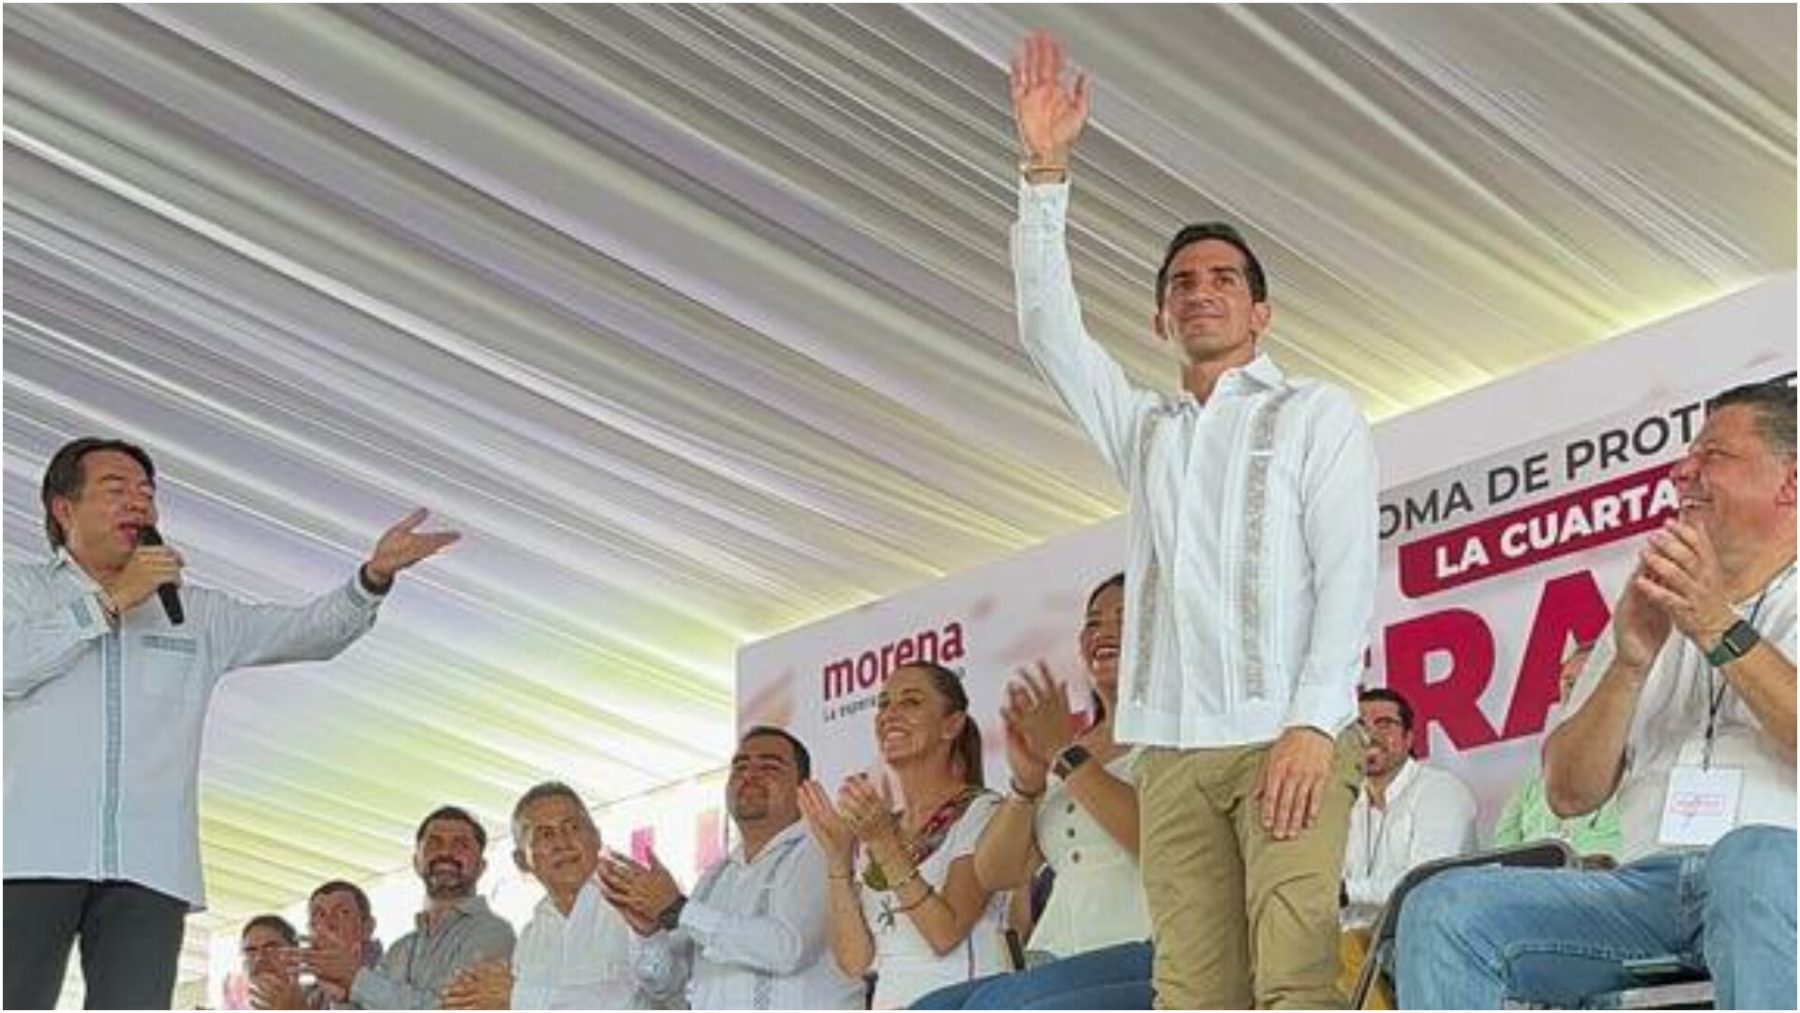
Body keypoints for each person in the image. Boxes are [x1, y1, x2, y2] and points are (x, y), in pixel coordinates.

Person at [1008, 32, 1377, 1009]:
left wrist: (1314, 722)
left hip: (1286, 732)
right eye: (1182, 283)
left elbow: (1348, 574)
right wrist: (1045, 174)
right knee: (1191, 993)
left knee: (1294, 978)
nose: (1201, 291)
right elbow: (1048, 333)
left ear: (1262, 313)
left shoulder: (1316, 411)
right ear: (1160, 322)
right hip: (1170, 750)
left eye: (1223, 280)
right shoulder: (1148, 431)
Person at [4, 437, 459, 1010]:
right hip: (30, 851)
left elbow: (306, 632)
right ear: (63, 508)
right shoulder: (16, 589)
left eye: (147, 493)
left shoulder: (194, 613)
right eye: (116, 490)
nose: (139, 503)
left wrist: (372, 578)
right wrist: (110, 601)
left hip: (150, 865)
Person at [1396, 381, 1797, 1010]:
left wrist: (1716, 626)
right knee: (1445, 909)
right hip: (1650, 888)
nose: (1683, 471)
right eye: (1687, 455)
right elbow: (1569, 791)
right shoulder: (1650, 603)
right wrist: (1629, 664)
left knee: (1751, 862)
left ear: (1790, 483)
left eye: (1713, 454)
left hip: (1779, 870)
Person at [914, 573, 1153, 1009]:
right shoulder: (1070, 748)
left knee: (1002, 1005)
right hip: (1057, 956)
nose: (1104, 631)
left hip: (1150, 949)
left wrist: (1064, 753)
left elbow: (1159, 840)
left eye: (1125, 617)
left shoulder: (1177, 735)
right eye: (1094, 621)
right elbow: (998, 874)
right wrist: (1026, 784)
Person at [607, 727, 864, 1009]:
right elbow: (668, 987)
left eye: (769, 767)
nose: (749, 776)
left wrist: (678, 909)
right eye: (740, 767)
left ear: (803, 789)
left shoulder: (823, 851)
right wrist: (650, 933)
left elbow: (788, 948)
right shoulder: (715, 876)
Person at [799, 662, 1007, 1009]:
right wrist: (838, 860)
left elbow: (945, 934)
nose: (889, 715)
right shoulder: (882, 825)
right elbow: (854, 961)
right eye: (883, 704)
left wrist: (883, 843)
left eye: (910, 702)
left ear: (952, 724)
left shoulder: (983, 810)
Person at [441, 782, 657, 1009]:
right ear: (521, 861)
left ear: (596, 837)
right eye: (545, 835)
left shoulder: (640, 903)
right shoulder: (529, 940)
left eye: (573, 828)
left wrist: (519, 997)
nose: (561, 843)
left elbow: (650, 1001)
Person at [1335, 687, 1477, 1007]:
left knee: (1342, 948)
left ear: (1410, 737)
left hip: (1430, 944)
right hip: (1361, 953)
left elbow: (1425, 885)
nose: (1370, 735)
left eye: (1384, 723)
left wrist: (1346, 891)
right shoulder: (1346, 805)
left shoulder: (1440, 790)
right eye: (1359, 727)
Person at [309, 806, 515, 1008]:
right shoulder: (400, 949)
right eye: (434, 843)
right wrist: (342, 996)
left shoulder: (492, 933)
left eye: (460, 845)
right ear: (416, 862)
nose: (446, 852)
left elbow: (450, 1009)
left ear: (481, 866)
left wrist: (356, 979)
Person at [1489, 644, 1624, 864]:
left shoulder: (1637, 759)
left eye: (1586, 680)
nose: (1574, 691)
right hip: (1534, 882)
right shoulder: (1535, 780)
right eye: (1568, 683)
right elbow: (1502, 853)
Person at [300, 881, 383, 1009]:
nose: (328, 924)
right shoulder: (310, 996)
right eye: (320, 915)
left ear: (367, 927)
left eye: (343, 913)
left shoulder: (392, 979)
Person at [240, 914, 305, 1011]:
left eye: (271, 948)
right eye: (251, 951)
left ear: (296, 954)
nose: (259, 958)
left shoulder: (323, 1002)